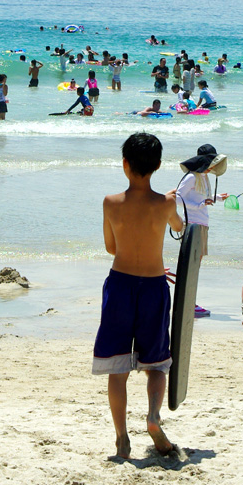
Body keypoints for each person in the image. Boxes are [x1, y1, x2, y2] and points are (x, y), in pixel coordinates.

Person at [92, 132, 185, 460]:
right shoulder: (167, 203)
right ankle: (152, 417)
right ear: (158, 166)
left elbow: (111, 247)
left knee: (118, 368)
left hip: (119, 286)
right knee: (157, 363)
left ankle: (121, 437)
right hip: (153, 288)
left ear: (125, 164)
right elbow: (180, 227)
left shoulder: (110, 202)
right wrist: (170, 204)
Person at [175, 144, 227, 257]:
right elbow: (177, 198)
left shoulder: (204, 176)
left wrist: (217, 197)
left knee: (197, 260)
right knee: (190, 261)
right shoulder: (191, 176)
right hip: (191, 224)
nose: (212, 166)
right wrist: (199, 205)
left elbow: (201, 196)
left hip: (203, 222)